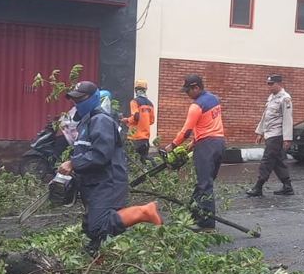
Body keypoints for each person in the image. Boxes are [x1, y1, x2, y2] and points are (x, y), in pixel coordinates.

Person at [57, 81, 162, 255]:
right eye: (75, 100)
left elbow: (100, 155)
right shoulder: (86, 122)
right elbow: (84, 151)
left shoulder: (101, 121)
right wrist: (71, 168)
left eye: (81, 99)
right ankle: (98, 265)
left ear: (94, 98)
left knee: (99, 225)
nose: (77, 103)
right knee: (91, 228)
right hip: (93, 183)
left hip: (107, 182)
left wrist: (74, 164)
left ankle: (144, 212)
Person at [164, 74, 226, 233]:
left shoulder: (196, 106)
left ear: (196, 87)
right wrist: (195, 141)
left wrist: (172, 145)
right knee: (205, 181)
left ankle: (207, 225)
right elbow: (209, 124)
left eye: (188, 91)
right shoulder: (214, 99)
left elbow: (186, 131)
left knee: (205, 184)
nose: (187, 94)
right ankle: (192, 213)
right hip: (219, 143)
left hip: (207, 146)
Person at [246, 74, 295, 197]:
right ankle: (287, 185)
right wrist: (260, 132)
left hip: (277, 134)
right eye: (268, 84)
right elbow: (265, 116)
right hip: (269, 133)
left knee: (267, 161)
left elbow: (288, 119)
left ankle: (258, 186)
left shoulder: (285, 98)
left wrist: (287, 138)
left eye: (271, 84)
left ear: (279, 84)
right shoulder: (271, 97)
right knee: (277, 160)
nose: (269, 87)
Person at [123, 79, 156, 165]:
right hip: (145, 138)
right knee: (143, 161)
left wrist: (127, 120)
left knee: (130, 161)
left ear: (136, 90)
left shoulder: (134, 102)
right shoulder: (150, 104)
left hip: (135, 137)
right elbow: (151, 121)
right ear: (145, 90)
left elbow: (136, 117)